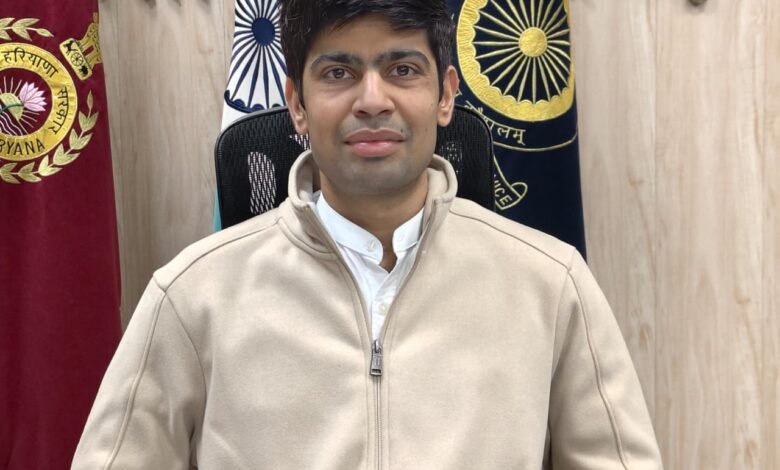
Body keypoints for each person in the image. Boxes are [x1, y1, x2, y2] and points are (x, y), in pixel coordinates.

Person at [72, 0, 663, 468]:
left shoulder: (551, 284)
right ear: (297, 104)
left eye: (402, 70)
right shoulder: (192, 295)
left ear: (446, 95)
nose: (373, 100)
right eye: (339, 73)